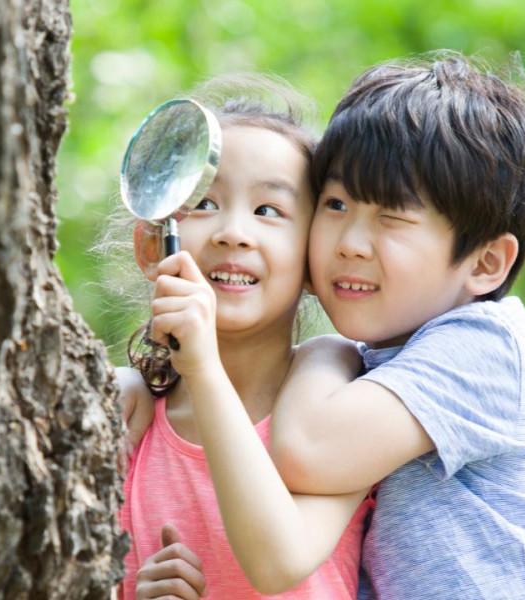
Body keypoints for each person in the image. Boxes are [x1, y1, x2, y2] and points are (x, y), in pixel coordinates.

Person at [261, 52, 525, 598]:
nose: (349, 243)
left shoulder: (486, 343)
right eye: (335, 204)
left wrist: (326, 349)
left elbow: (306, 452)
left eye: (391, 217)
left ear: (486, 263)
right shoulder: (374, 364)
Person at [114, 73, 374, 600]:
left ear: (314, 259)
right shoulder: (126, 424)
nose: (233, 231)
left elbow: (280, 564)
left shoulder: (340, 409)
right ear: (150, 248)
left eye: (269, 211)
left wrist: (203, 370)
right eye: (204, 204)